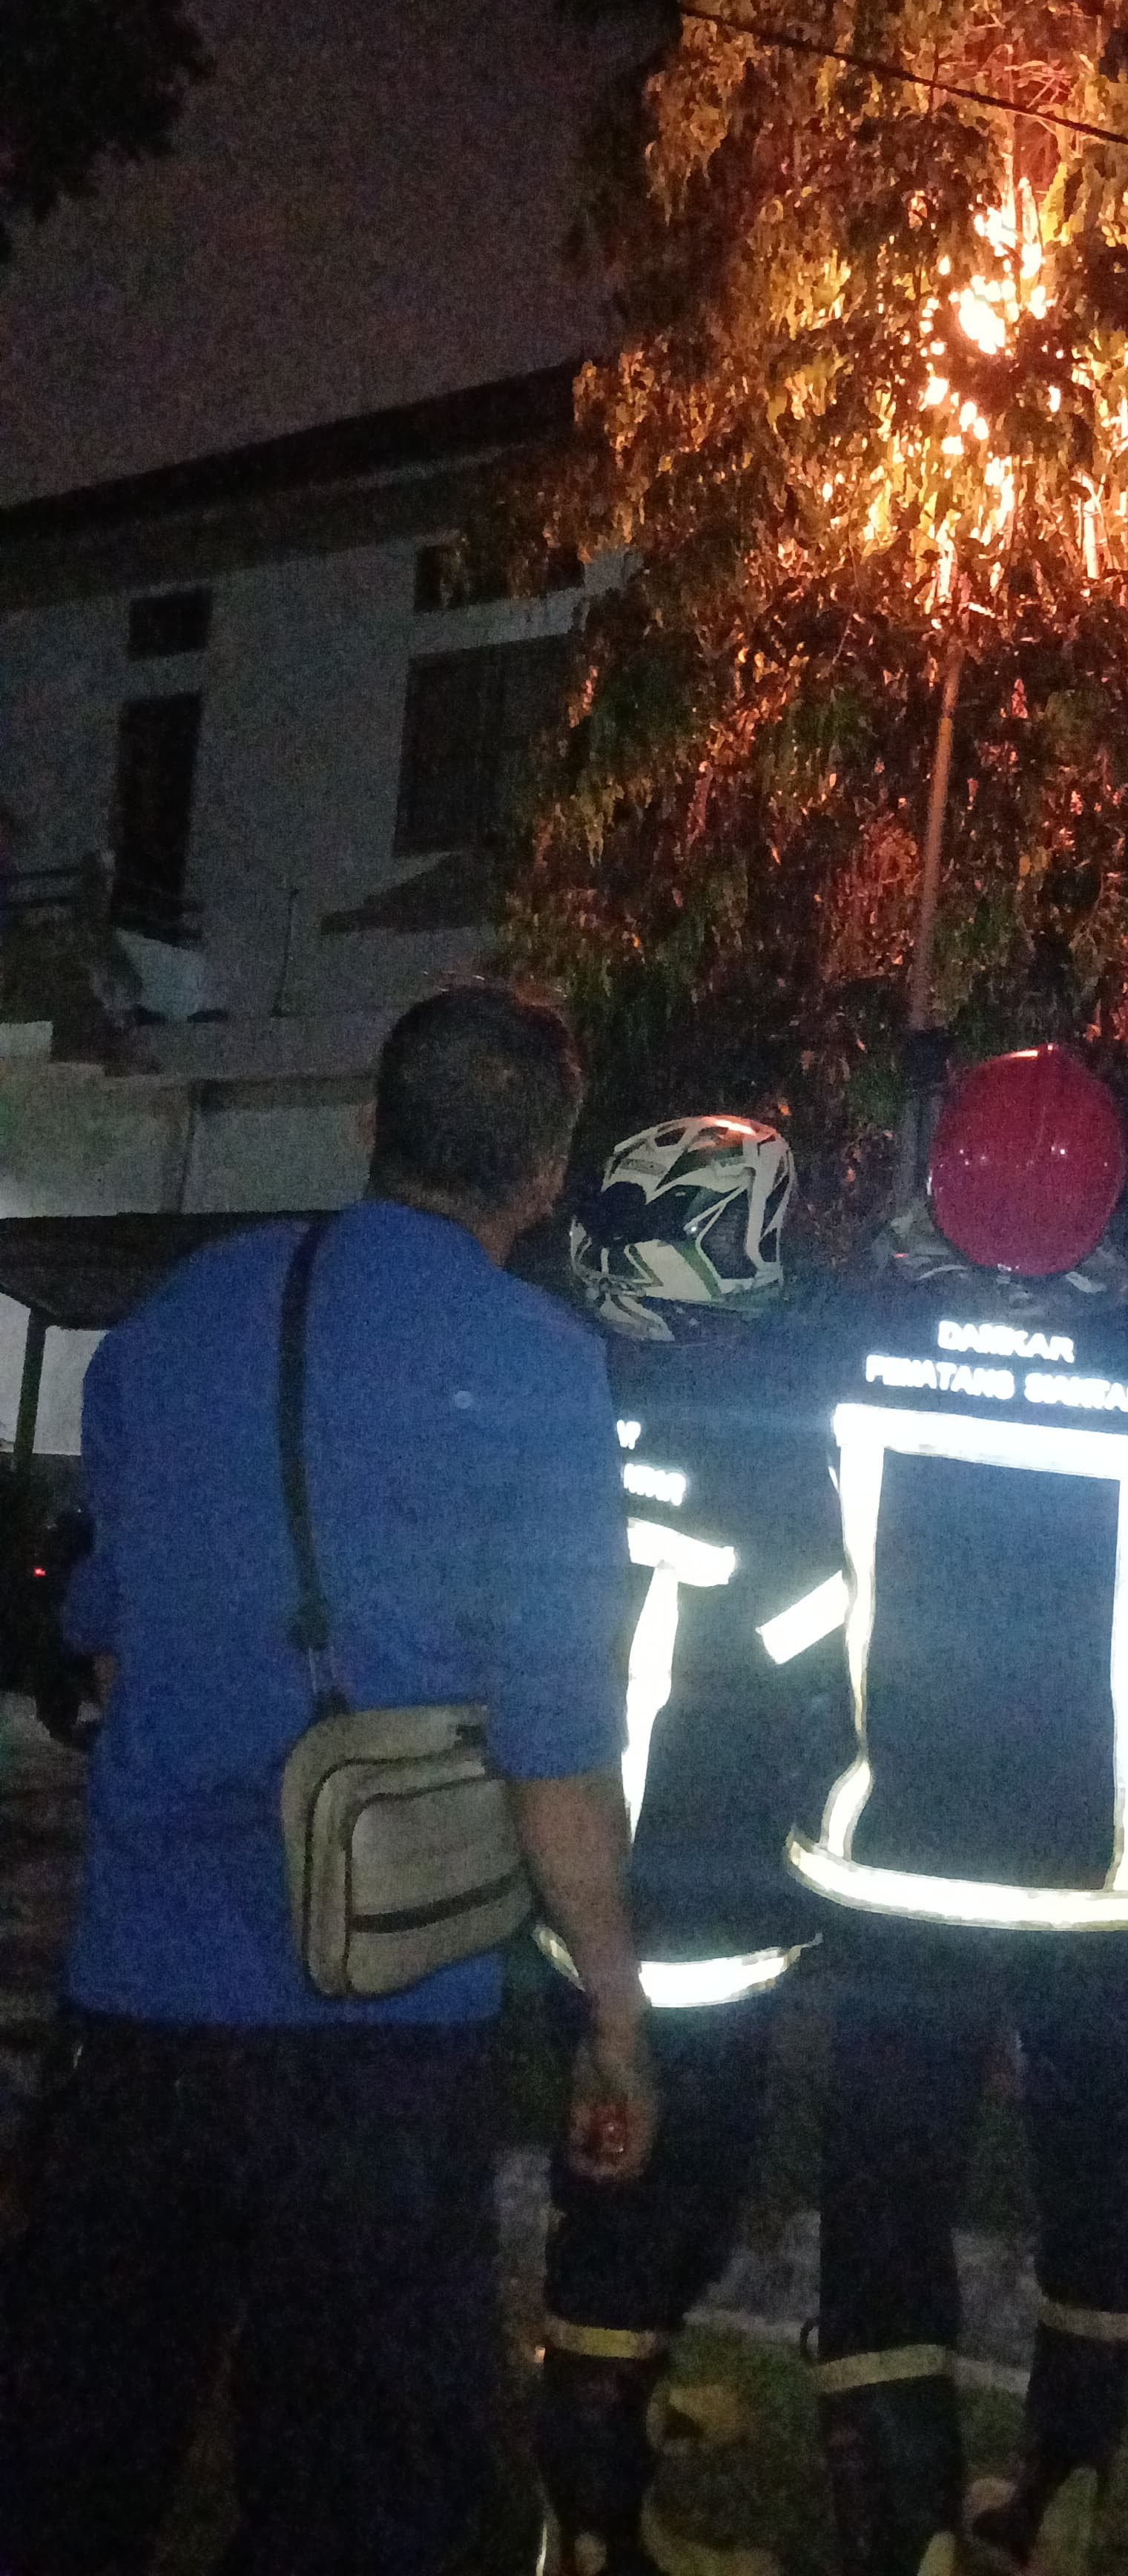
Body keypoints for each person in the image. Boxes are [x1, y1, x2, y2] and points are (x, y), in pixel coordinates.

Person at [0, 982, 657, 2576]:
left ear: (369, 1128)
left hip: (143, 2010)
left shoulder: (175, 1327)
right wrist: (616, 2019)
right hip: (383, 2028)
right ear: (548, 1175)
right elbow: (557, 1748)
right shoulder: (543, 1374)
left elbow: (97, 1634)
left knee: (71, 2452)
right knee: (358, 2487)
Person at [794, 1046, 1128, 2576]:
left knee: (880, 2204)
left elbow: (798, 1601)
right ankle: (1061, 2494)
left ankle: (906, 2531)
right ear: (1108, 1197)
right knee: (1100, 2188)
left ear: (939, 1187)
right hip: (1110, 1886)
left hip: (894, 1870)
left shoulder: (849, 1367)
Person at [512, 1114, 851, 2576]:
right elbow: (821, 1692)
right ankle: (591, 2531)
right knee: (650, 2211)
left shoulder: (560, 1418)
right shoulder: (761, 1464)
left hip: (566, 1900)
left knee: (609, 2193)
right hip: (700, 1931)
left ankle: (618, 2415)